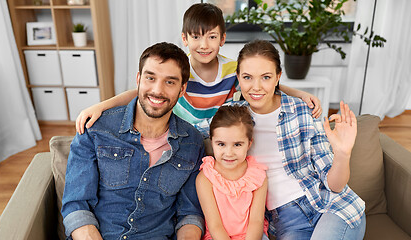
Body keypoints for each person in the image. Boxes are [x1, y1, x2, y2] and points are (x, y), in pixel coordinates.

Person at [74, 3, 322, 136]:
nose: (204, 45)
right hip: (185, 137)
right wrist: (100, 106)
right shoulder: (177, 69)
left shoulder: (232, 68)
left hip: (220, 138)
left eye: (212, 37)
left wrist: (300, 95)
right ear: (184, 38)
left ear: (222, 39)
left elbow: (262, 82)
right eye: (196, 37)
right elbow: (139, 91)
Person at [61, 42, 205, 240]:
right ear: (138, 79)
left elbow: (189, 214)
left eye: (170, 82)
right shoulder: (96, 129)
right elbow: (76, 206)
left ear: (182, 89)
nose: (157, 90)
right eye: (150, 78)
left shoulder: (193, 143)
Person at [230, 39, 366, 239]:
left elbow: (335, 186)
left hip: (331, 207)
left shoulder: (302, 110)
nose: (256, 87)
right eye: (247, 77)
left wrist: (343, 154)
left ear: (278, 78)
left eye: (266, 77)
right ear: (238, 78)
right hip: (287, 222)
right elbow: (188, 129)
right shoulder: (230, 117)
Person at [196, 105, 269, 240]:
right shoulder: (205, 178)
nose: (229, 153)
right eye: (221, 144)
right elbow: (215, 225)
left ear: (249, 143)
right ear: (212, 142)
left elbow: (256, 222)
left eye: (237, 145)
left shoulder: (257, 176)